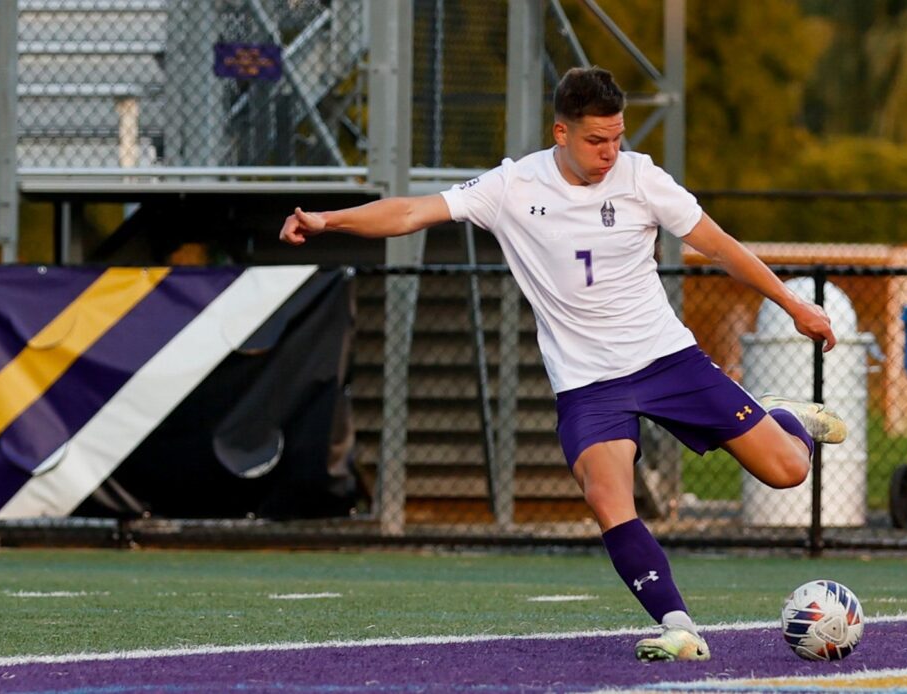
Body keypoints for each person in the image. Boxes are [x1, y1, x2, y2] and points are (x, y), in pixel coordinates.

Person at [279, 66, 846, 662]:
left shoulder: (641, 179)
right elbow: (410, 213)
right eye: (596, 140)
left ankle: (777, 417)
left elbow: (720, 245)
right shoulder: (511, 186)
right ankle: (681, 626)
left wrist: (791, 303)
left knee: (787, 471)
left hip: (666, 359)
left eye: (617, 137)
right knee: (607, 498)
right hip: (587, 384)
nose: (610, 153)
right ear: (561, 132)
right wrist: (326, 220)